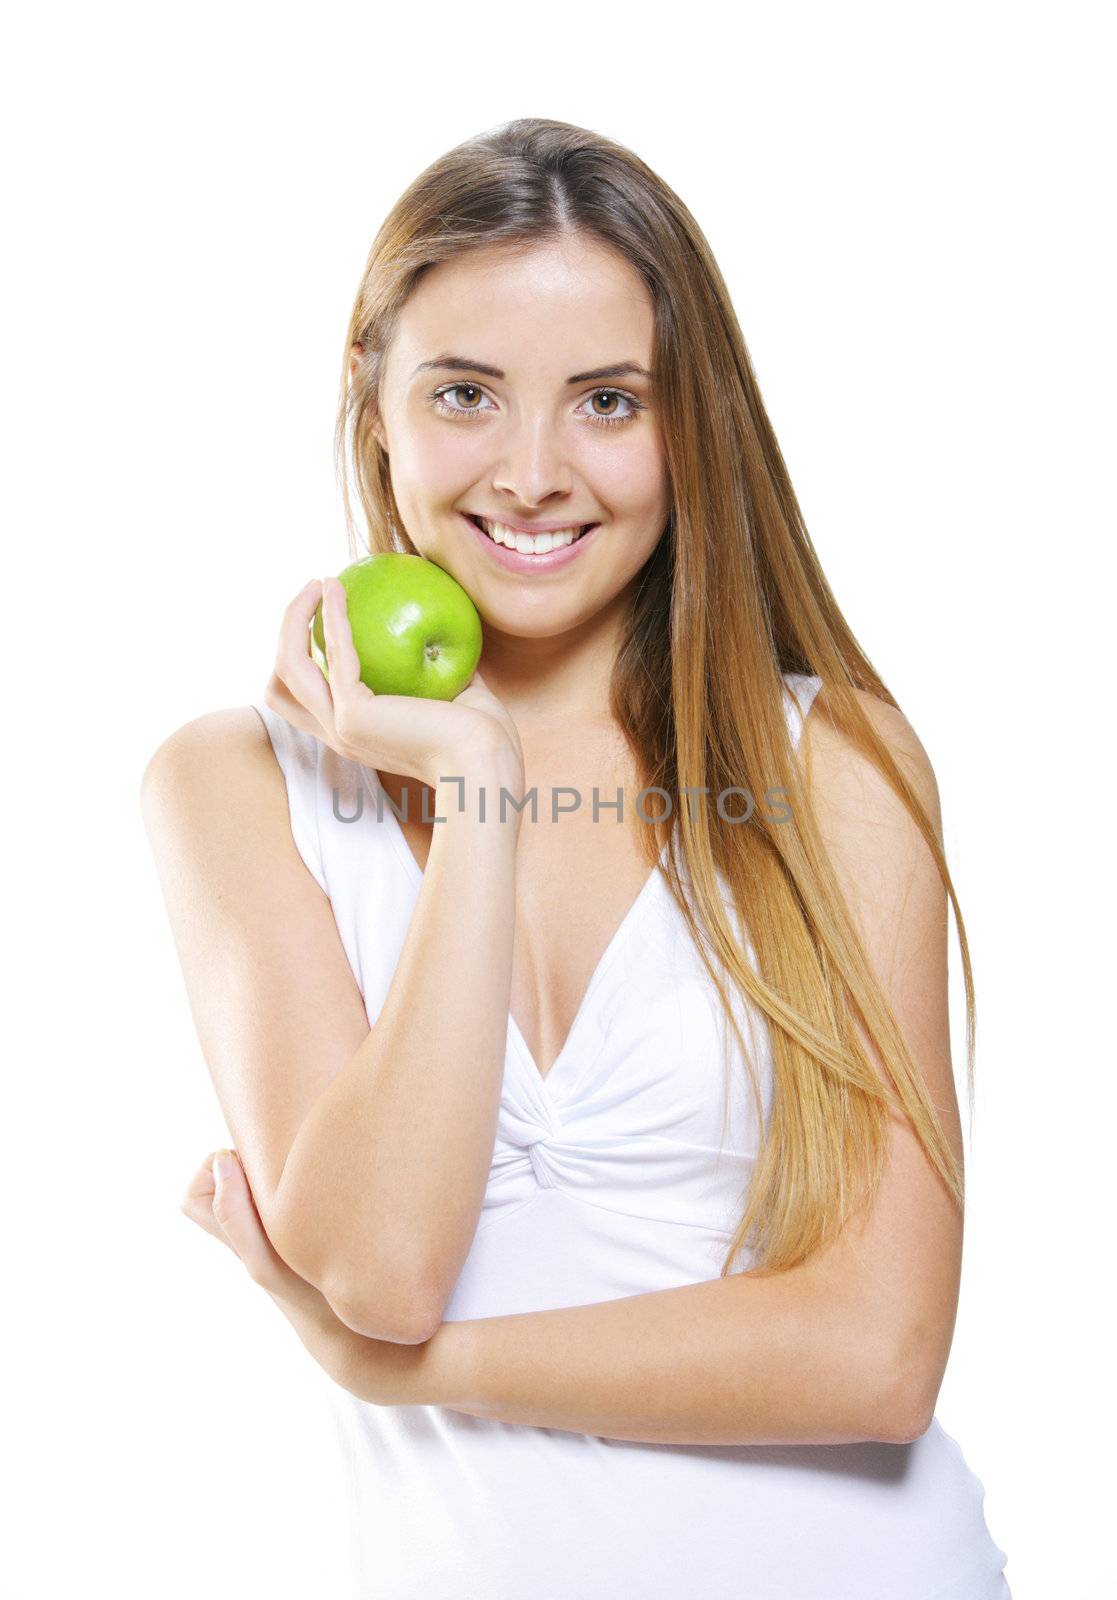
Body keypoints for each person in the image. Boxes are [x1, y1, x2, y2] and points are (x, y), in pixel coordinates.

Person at [141, 117, 1012, 1599]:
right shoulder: (236, 785)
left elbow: (877, 1356)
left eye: (607, 402)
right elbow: (379, 1266)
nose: (533, 473)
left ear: (689, 427)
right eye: (466, 394)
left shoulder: (834, 765)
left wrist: (412, 1376)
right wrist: (473, 782)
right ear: (377, 412)